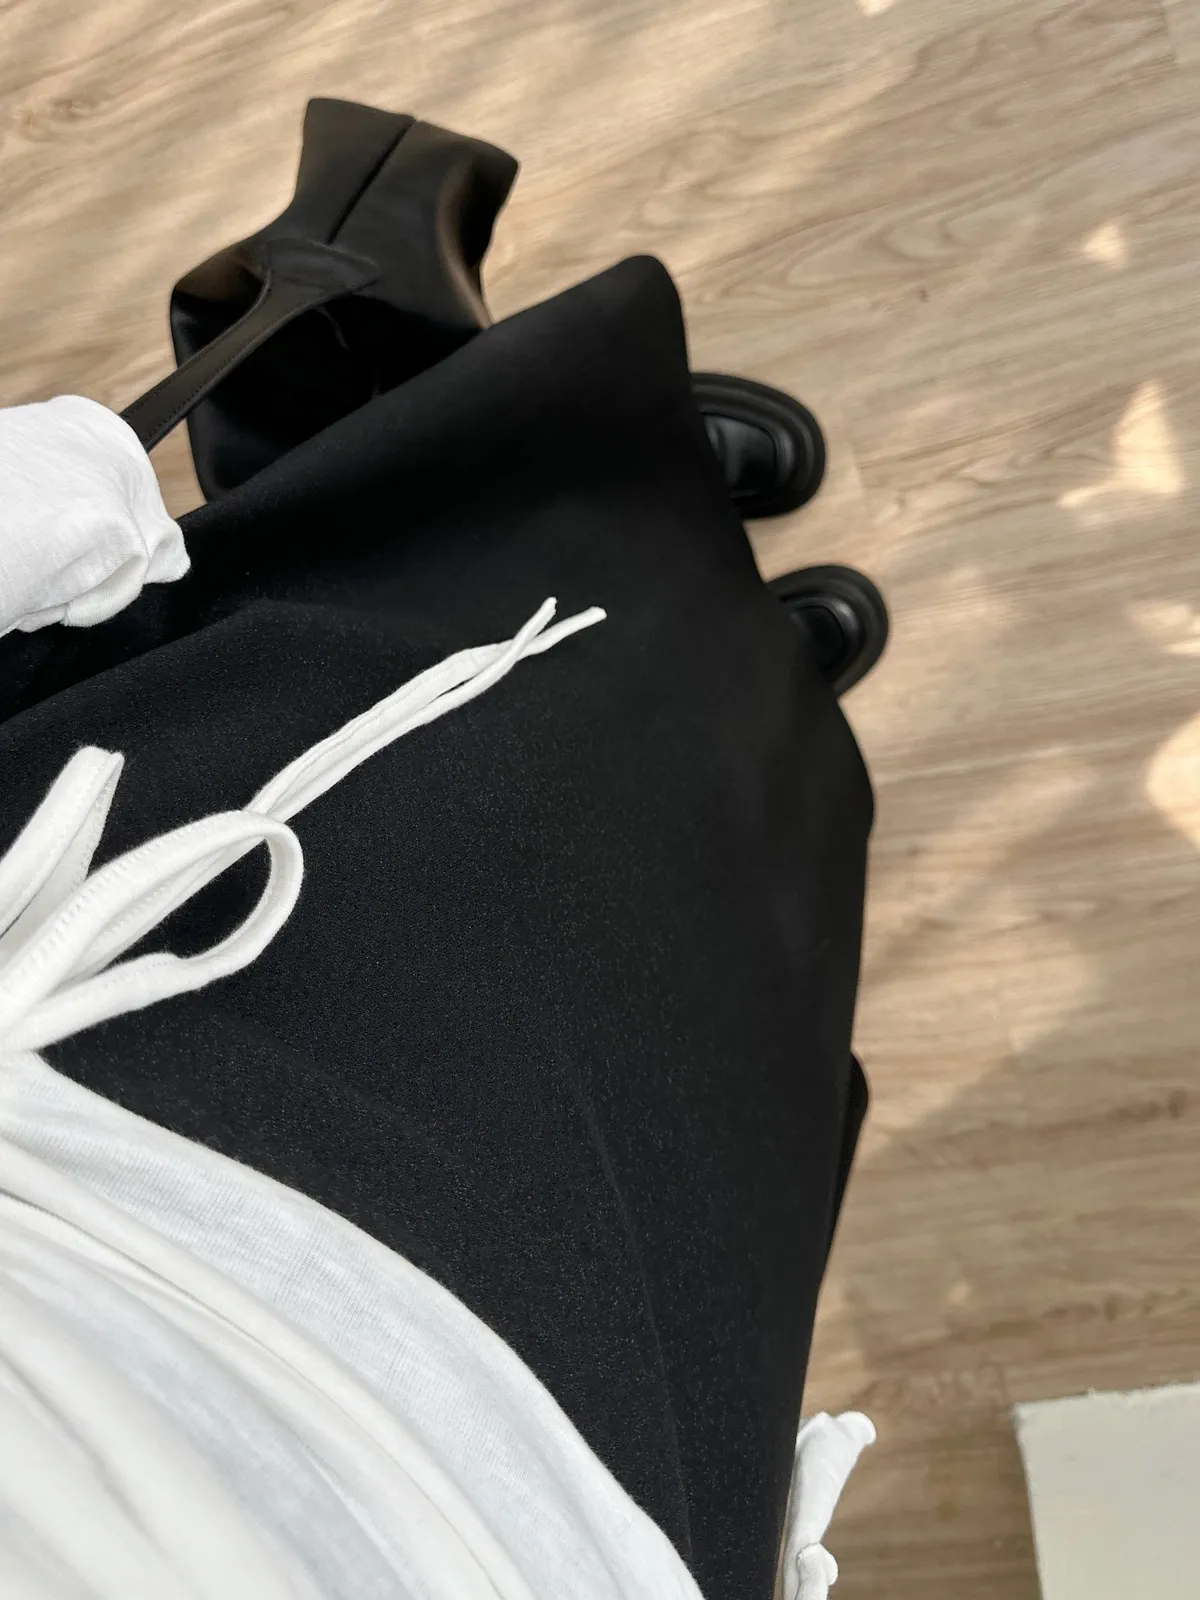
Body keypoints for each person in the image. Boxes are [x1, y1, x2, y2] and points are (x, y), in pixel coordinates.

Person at [0, 106, 879, 1600]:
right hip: (591, 1526)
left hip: (129, 1235)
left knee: (485, 809)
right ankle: (694, 651)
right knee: (708, 1047)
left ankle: (431, 410)